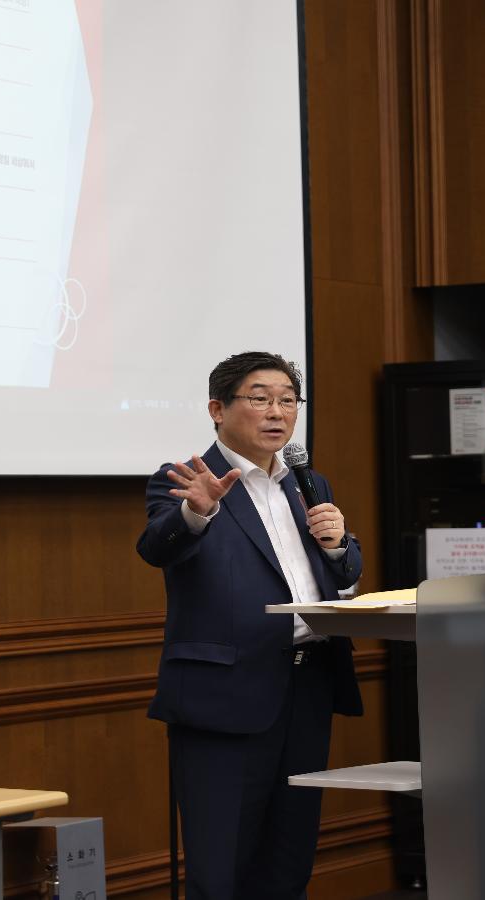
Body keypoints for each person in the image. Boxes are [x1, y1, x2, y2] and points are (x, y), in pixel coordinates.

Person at [137, 351, 361, 900]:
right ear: (218, 409)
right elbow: (157, 547)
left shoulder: (308, 483)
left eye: (288, 400)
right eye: (260, 399)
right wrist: (197, 512)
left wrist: (339, 547)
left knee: (289, 860)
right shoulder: (186, 481)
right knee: (221, 867)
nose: (277, 412)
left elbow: (342, 577)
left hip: (307, 687)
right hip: (226, 695)